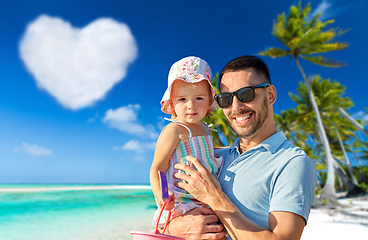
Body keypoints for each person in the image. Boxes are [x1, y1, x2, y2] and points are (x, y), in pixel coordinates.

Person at [167, 55, 318, 240]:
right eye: (225, 99)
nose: (236, 107)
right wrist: (172, 228)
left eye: (246, 94)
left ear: (270, 95)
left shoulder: (293, 163)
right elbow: (169, 208)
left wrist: (214, 197)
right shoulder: (213, 156)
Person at [150, 56, 223, 228]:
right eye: (182, 99)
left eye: (199, 98)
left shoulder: (207, 129)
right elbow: (158, 166)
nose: (191, 106)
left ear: (209, 101)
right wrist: (162, 194)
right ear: (172, 103)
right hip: (182, 202)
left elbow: (207, 154)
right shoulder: (175, 130)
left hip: (207, 198)